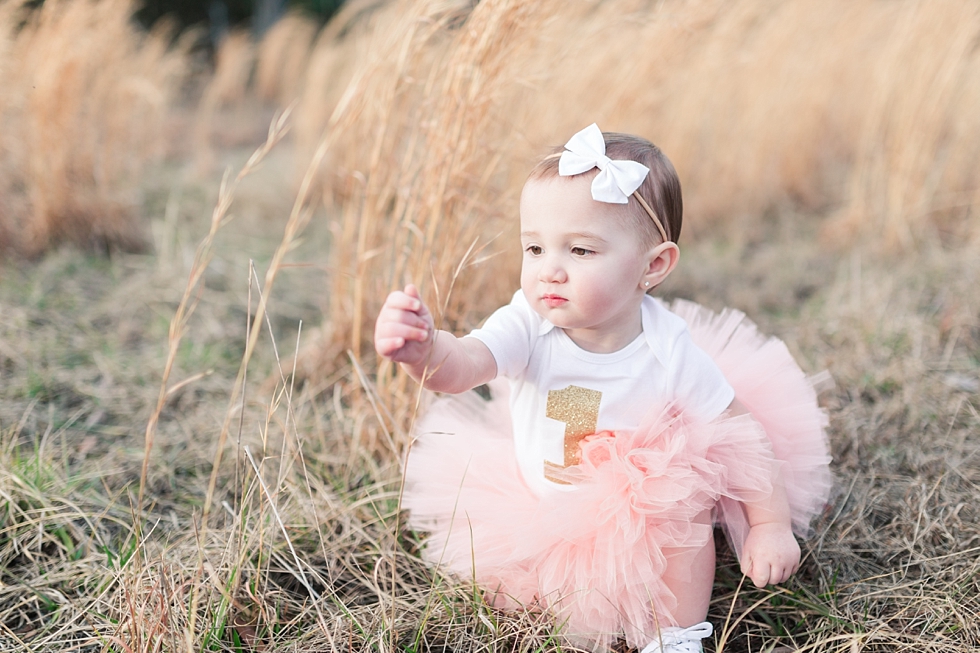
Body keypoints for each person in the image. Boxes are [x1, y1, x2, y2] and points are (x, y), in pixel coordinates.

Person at [374, 124, 832, 653]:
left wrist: (770, 524)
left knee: (685, 511)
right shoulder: (527, 323)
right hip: (540, 500)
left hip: (642, 504)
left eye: (581, 251)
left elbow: (739, 429)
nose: (550, 271)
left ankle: (677, 635)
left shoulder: (666, 348)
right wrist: (424, 351)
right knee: (542, 593)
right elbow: (462, 366)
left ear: (652, 266)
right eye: (535, 248)